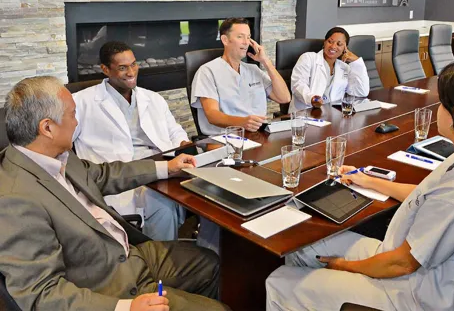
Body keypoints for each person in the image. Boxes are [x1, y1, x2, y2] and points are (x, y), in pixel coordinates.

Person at [0, 76, 230, 311]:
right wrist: (124, 307)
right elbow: (41, 294)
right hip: (107, 285)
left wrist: (166, 167)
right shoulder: (14, 199)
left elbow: (103, 174)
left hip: (127, 253)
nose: (77, 122)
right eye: (72, 115)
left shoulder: (51, 154)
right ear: (47, 127)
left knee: (211, 263)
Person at [266, 62, 454, 311]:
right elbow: (424, 196)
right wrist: (368, 180)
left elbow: (401, 264)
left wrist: (344, 266)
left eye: (441, 103)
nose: (436, 109)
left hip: (410, 292)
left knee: (278, 282)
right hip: (400, 255)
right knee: (301, 246)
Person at [73, 41, 190, 241]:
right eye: (122, 67)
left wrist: (184, 145)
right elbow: (61, 146)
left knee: (208, 194)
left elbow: (175, 131)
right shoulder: (80, 102)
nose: (131, 72)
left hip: (164, 166)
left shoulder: (153, 98)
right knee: (163, 204)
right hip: (120, 177)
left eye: (134, 64)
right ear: (105, 69)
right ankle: (160, 260)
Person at [191, 17, 291, 135]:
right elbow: (212, 115)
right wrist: (242, 122)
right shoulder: (207, 71)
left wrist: (266, 62)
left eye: (248, 37)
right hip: (224, 137)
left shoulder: (253, 70)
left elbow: (284, 98)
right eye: (240, 36)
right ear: (225, 40)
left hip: (258, 134)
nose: (246, 42)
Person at [288, 27, 370, 113]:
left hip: (332, 116)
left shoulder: (344, 67)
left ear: (345, 48)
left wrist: (357, 62)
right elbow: (298, 84)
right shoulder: (308, 58)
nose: (333, 46)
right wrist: (312, 99)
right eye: (330, 42)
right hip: (305, 114)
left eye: (339, 44)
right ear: (324, 42)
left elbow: (361, 92)